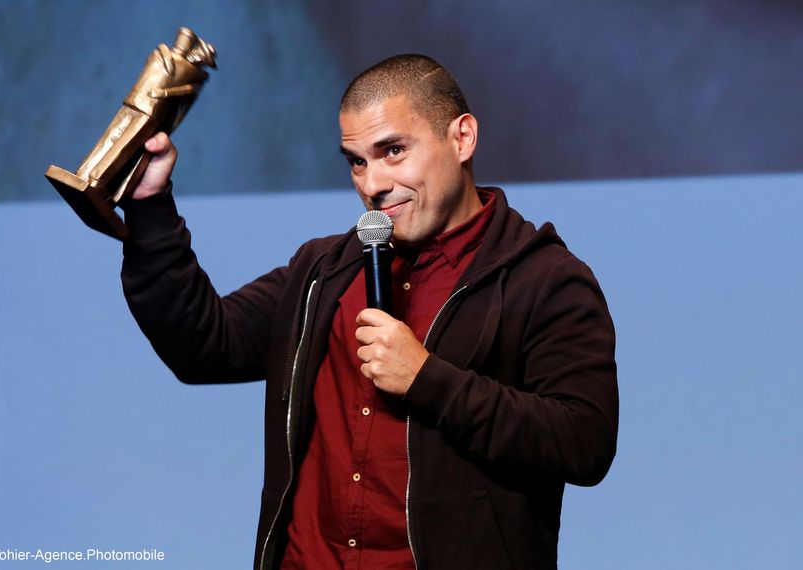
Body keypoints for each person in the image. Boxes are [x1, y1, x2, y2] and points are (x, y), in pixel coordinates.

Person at [120, 54, 618, 569]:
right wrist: (150, 206)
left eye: (393, 151)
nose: (372, 184)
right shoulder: (326, 270)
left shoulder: (544, 280)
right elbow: (204, 345)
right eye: (357, 161)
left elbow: (584, 443)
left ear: (462, 138)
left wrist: (428, 379)